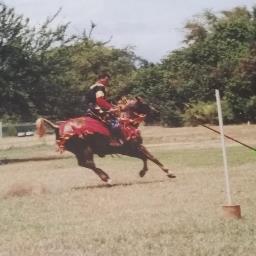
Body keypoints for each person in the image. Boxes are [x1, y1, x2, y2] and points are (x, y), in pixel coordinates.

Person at [86, 73, 124, 145]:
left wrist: (111, 106)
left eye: (108, 80)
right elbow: (99, 100)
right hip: (95, 108)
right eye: (106, 80)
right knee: (114, 122)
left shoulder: (93, 86)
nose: (107, 82)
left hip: (89, 108)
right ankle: (113, 140)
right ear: (101, 79)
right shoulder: (100, 87)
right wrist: (111, 108)